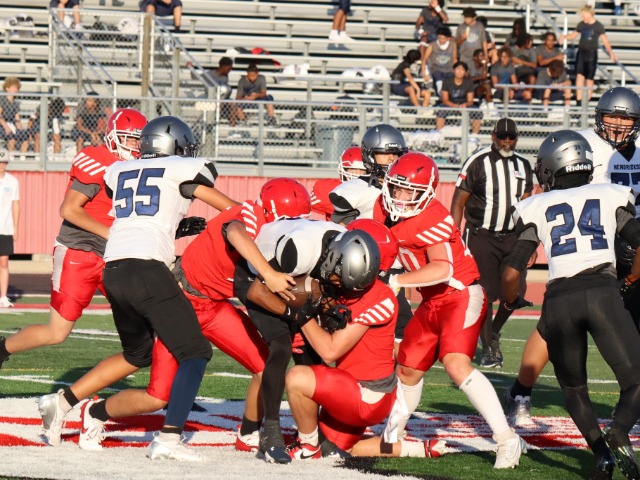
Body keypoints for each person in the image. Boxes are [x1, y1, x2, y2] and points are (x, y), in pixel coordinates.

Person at [51, 179, 306, 454]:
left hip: (214, 305)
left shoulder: (278, 231)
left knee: (266, 367)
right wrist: (269, 273)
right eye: (287, 219)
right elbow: (235, 232)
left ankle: (248, 432)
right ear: (267, 210)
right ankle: (96, 411)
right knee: (157, 397)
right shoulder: (248, 216)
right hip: (178, 303)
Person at [95, 116, 239, 461]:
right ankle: (169, 438)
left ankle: (85, 410)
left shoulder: (119, 170)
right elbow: (232, 210)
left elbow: (142, 215)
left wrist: (176, 226)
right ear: (174, 146)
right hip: (147, 269)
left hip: (113, 269)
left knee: (139, 354)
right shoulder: (179, 169)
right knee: (195, 352)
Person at [502, 130, 640, 480]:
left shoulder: (536, 205)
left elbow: (512, 270)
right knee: (635, 381)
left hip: (560, 299)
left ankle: (601, 455)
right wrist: (630, 281)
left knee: (575, 390)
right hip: (602, 291)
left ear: (550, 168)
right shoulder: (610, 193)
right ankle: (619, 429)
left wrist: (510, 299)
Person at [375, 151, 527, 470]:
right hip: (431, 301)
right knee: (408, 369)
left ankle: (506, 438)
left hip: (460, 294)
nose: (400, 197)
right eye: (397, 188)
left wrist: (395, 280)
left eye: (409, 191)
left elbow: (442, 269)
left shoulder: (431, 216)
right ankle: (393, 433)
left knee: (456, 365)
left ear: (426, 192)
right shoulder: (382, 208)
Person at [0, 109, 147, 372]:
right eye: (130, 138)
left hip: (115, 255)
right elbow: (69, 210)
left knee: (148, 320)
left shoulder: (140, 167)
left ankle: (163, 386)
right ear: (113, 137)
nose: (136, 145)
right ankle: (1, 349)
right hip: (80, 250)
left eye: (139, 140)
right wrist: (113, 234)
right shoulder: (98, 160)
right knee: (56, 332)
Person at [234, 218, 349, 463]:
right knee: (281, 346)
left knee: (312, 357)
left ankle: (313, 434)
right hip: (255, 280)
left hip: (295, 281)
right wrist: (295, 317)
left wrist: (330, 311)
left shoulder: (341, 242)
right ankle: (270, 432)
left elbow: (323, 286)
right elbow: (258, 291)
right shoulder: (300, 250)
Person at [450, 117, 534, 368]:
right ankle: (489, 348)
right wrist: (453, 238)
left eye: (511, 137)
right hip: (482, 235)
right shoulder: (478, 162)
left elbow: (528, 205)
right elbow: (458, 202)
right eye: (502, 136)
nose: (507, 141)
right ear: (493, 137)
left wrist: (530, 240)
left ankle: (493, 331)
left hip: (513, 236)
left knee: (516, 292)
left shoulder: (523, 165)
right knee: (484, 293)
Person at [559, 5, 616, 103]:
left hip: (591, 54)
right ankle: (579, 99)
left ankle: (587, 100)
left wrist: (611, 53)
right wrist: (564, 36)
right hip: (581, 52)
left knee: (589, 78)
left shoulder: (598, 26)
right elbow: (573, 36)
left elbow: (605, 40)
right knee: (579, 76)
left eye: (584, 16)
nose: (583, 18)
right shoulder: (582, 24)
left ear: (590, 14)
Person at [310, 146, 365, 221]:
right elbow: (315, 221)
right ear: (344, 169)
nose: (358, 173)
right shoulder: (326, 190)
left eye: (362, 170)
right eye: (353, 169)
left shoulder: (374, 192)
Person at [435, 61, 482, 134]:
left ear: (465, 72)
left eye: (462, 70)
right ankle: (439, 133)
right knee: (441, 111)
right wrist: (456, 106)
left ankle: (474, 135)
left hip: (464, 106)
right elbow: (445, 100)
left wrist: (464, 105)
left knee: (477, 112)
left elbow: (470, 101)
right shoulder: (447, 82)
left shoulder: (469, 82)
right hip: (450, 105)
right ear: (454, 70)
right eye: (458, 69)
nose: (460, 71)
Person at [230, 63, 277, 129]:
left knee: (269, 99)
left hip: (259, 99)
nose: (252, 78)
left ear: (257, 74)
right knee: (237, 106)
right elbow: (238, 97)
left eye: (254, 76)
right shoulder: (242, 81)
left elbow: (264, 93)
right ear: (247, 74)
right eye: (250, 76)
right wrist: (245, 98)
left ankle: (271, 119)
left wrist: (256, 95)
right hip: (247, 101)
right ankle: (243, 120)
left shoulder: (261, 78)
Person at [0, 149, 19, 308]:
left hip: (5, 228)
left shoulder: (12, 181)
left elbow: (16, 204)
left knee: (4, 262)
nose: (1, 165)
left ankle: (3, 296)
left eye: (4, 162)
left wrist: (16, 228)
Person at [421, 26, 456, 96]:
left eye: (443, 38)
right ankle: (441, 94)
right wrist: (424, 73)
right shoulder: (432, 45)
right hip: (436, 70)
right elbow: (424, 59)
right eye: (439, 38)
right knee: (439, 81)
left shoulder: (453, 45)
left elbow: (455, 59)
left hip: (449, 70)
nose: (441, 40)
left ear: (448, 38)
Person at [0, 77, 29, 153]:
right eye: (13, 87)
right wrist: (6, 127)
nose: (16, 89)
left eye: (17, 88)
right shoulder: (2, 100)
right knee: (11, 139)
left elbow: (17, 118)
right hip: (2, 126)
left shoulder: (15, 103)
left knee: (25, 139)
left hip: (12, 125)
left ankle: (22, 158)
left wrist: (20, 128)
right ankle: (11, 158)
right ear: (7, 88)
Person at [469, 48, 497, 116]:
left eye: (484, 56)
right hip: (471, 89)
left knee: (487, 85)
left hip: (480, 88)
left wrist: (484, 66)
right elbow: (468, 80)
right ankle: (489, 106)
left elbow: (484, 78)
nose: (483, 58)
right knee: (486, 85)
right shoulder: (470, 66)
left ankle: (488, 105)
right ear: (475, 58)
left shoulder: (484, 66)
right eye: (481, 56)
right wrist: (480, 77)